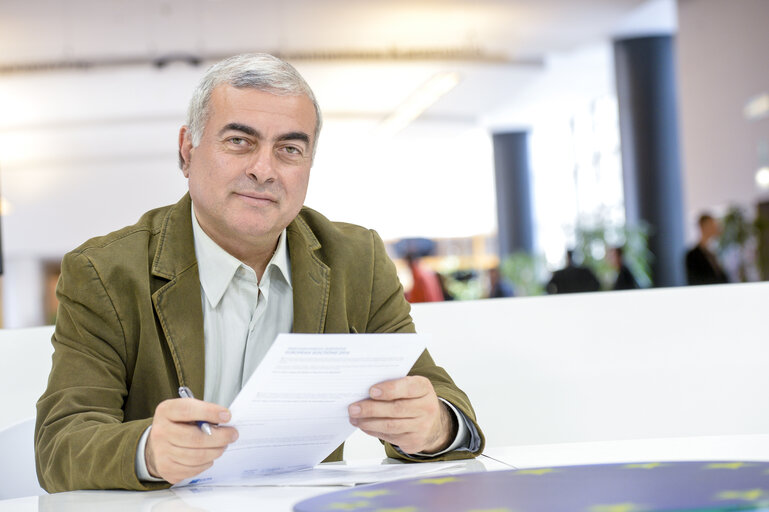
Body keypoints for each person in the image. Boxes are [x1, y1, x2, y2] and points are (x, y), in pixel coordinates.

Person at [35, 54, 483, 492]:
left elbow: (443, 402)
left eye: (289, 149)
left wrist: (435, 426)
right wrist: (148, 450)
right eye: (239, 141)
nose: (263, 170)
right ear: (186, 151)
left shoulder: (357, 260)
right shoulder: (105, 272)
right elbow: (60, 446)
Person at [685, 213, 728, 286]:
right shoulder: (692, 255)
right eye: (711, 225)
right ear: (702, 227)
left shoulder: (712, 253)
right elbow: (695, 281)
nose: (715, 228)